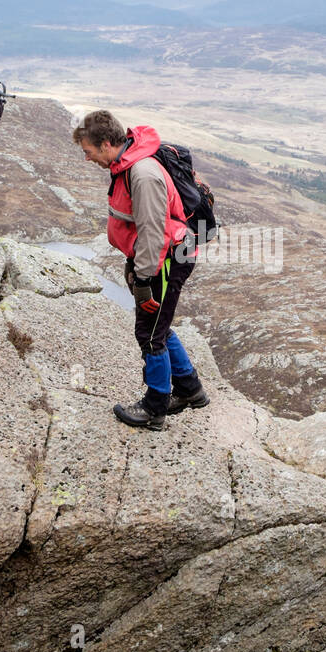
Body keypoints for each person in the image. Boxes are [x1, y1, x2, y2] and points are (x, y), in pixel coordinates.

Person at [73, 110, 209, 430]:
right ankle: (190, 390)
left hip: (166, 259)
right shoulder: (128, 164)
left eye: (88, 151)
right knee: (158, 326)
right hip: (161, 257)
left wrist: (145, 277)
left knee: (149, 334)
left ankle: (154, 406)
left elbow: (154, 232)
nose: (87, 158)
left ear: (106, 144)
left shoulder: (143, 173)